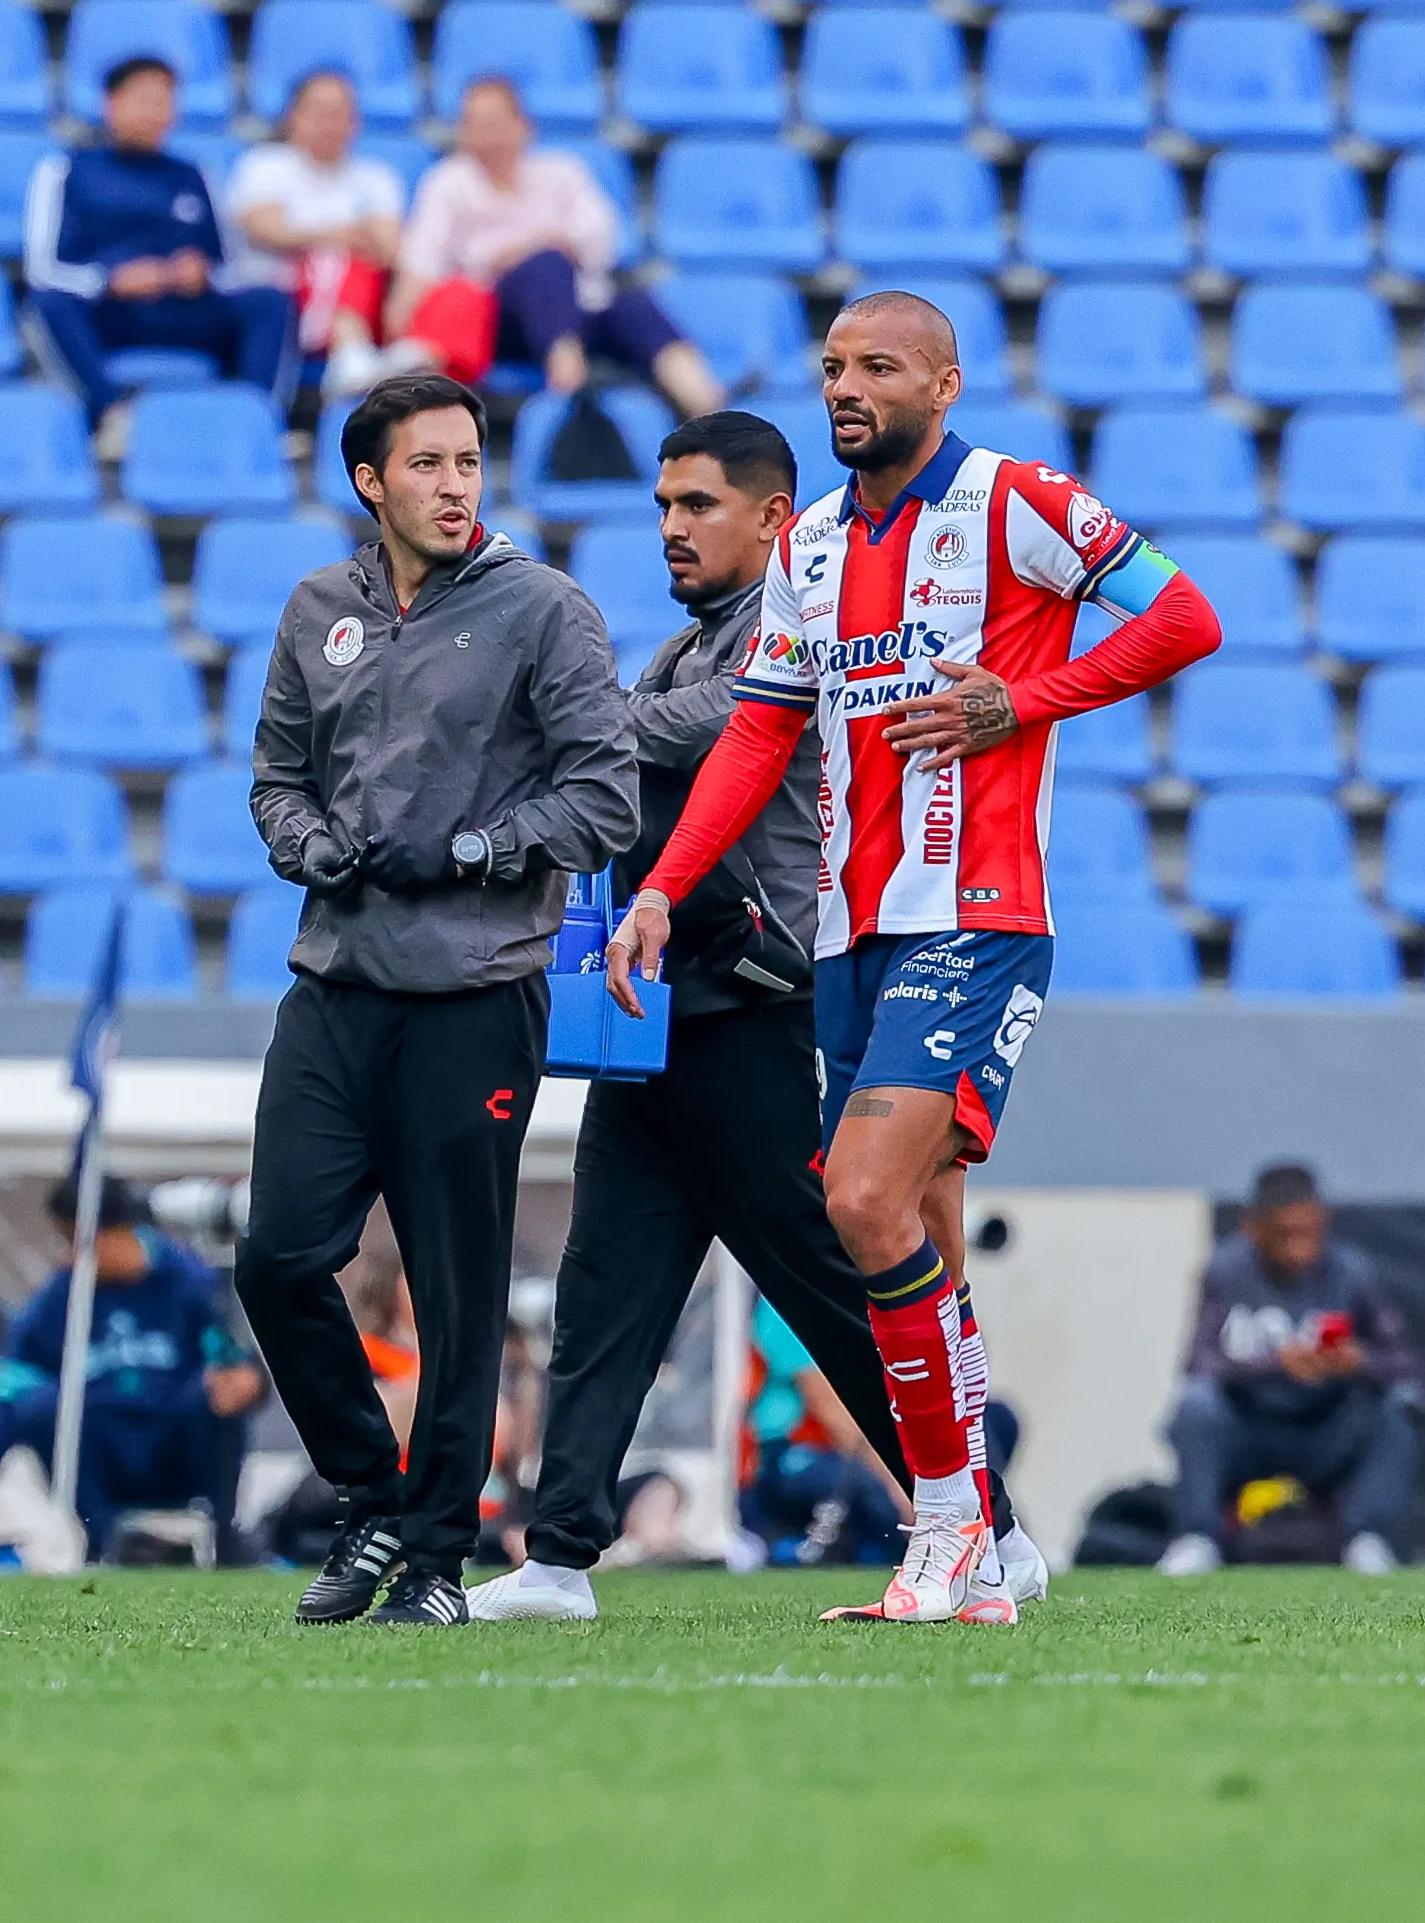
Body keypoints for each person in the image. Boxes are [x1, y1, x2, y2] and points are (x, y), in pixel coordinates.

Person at [610, 292, 1227, 1624]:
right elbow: (761, 734)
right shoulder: (814, 544)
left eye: (878, 367)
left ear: (943, 385)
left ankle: (942, 1528)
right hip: (848, 932)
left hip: (977, 913)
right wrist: (661, 889)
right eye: (834, 366)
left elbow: (1183, 617)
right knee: (922, 1236)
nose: (847, 387)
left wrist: (1026, 699)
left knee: (859, 1198)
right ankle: (988, 1551)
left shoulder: (1016, 501)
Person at [464, 411, 1041, 1623]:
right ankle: (559, 1559)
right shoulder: (681, 647)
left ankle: (986, 1529)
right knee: (603, 1291)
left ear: (776, 519)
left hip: (762, 1015)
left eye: (698, 505)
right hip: (666, 1020)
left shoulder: (795, 636)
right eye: (663, 506)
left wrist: (552, 711)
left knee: (838, 1290)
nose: (671, 528)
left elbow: (700, 731)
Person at [239, 369, 638, 1627]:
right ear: (370, 480)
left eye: (467, 461)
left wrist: (478, 849)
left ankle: (432, 1560)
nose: (455, 485)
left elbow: (605, 798)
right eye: (426, 464)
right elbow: (275, 780)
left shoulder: (544, 610)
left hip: (474, 993)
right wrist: (306, 845)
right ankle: (370, 1495)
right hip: (334, 984)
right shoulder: (319, 608)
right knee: (276, 1257)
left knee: (456, 1289)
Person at [0, 1176, 264, 1558]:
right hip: (106, 1456)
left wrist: (249, 1381)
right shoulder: (62, 1298)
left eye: (79, 1239)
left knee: (215, 1395)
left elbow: (239, 1363)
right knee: (40, 1406)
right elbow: (12, 1387)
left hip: (176, 1446)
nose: (75, 1252)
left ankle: (224, 1540)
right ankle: (108, 1541)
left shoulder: (192, 1283)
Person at [388, 77, 723, 417]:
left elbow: (599, 240)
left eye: (495, 124)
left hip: (574, 307)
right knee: (545, 265)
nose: (486, 137)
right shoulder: (448, 184)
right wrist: (400, 327)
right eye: (475, 126)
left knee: (632, 306)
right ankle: (569, 395)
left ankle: (708, 407)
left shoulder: (562, 173)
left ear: (524, 126)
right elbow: (423, 263)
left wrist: (526, 248)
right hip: (495, 322)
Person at [1158, 1163, 1421, 1580]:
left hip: (1327, 1428)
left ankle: (1365, 1538)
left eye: (1310, 1233)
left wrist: (1356, 1362)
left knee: (1403, 1406)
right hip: (1248, 1427)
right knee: (1196, 1404)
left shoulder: (1353, 1273)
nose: (1301, 1249)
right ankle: (1196, 1538)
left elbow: (1403, 1365)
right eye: (1285, 1235)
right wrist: (1275, 1363)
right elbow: (1198, 1365)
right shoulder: (1226, 1271)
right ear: (1253, 1227)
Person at [27, 54, 299, 442]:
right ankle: (111, 418)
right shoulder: (65, 172)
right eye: (144, 100)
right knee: (49, 303)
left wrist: (203, 273)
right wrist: (108, 280)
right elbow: (43, 269)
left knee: (269, 299)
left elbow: (230, 265)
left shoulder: (194, 173)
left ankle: (257, 426)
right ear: (110, 103)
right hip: (109, 313)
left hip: (183, 309)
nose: (156, 112)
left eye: (165, 101)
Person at [225, 68, 432, 400]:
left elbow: (388, 247)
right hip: (282, 299)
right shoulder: (265, 165)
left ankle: (356, 352)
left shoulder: (375, 177)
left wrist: (335, 238)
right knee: (329, 259)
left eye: (340, 113)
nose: (330, 124)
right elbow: (265, 229)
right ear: (293, 116)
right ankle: (350, 353)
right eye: (320, 112)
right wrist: (341, 235)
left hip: (364, 300)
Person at [735, 1299, 909, 1567]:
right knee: (875, 1493)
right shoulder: (784, 1306)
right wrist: (897, 1485)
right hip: (782, 1454)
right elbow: (831, 1412)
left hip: (833, 1453)